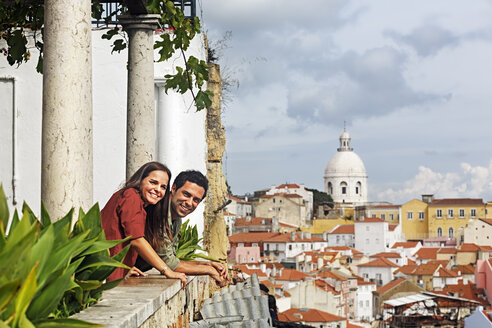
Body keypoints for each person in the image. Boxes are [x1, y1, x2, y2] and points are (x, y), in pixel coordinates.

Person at [136, 170, 229, 287]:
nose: (189, 203)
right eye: (186, 194)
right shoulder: (159, 211)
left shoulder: (175, 217)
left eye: (196, 200)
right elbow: (169, 264)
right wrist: (209, 271)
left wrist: (208, 264)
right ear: (174, 189)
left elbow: (173, 259)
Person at [101, 161, 187, 287]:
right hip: (99, 272)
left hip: (109, 267)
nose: (158, 190)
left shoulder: (138, 202)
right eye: (153, 182)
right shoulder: (131, 196)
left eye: (163, 187)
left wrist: (124, 268)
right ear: (141, 180)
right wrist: (167, 271)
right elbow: (137, 240)